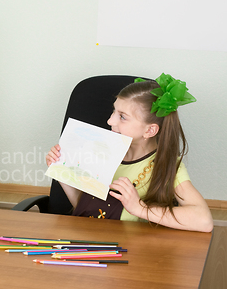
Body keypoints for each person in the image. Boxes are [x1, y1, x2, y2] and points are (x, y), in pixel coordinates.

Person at [46, 74, 213, 232]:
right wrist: (62, 173)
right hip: (86, 241)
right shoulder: (101, 150)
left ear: (150, 130)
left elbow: (204, 221)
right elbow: (85, 209)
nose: (110, 121)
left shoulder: (167, 165)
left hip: (127, 251)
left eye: (122, 117)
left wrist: (139, 208)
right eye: (114, 111)